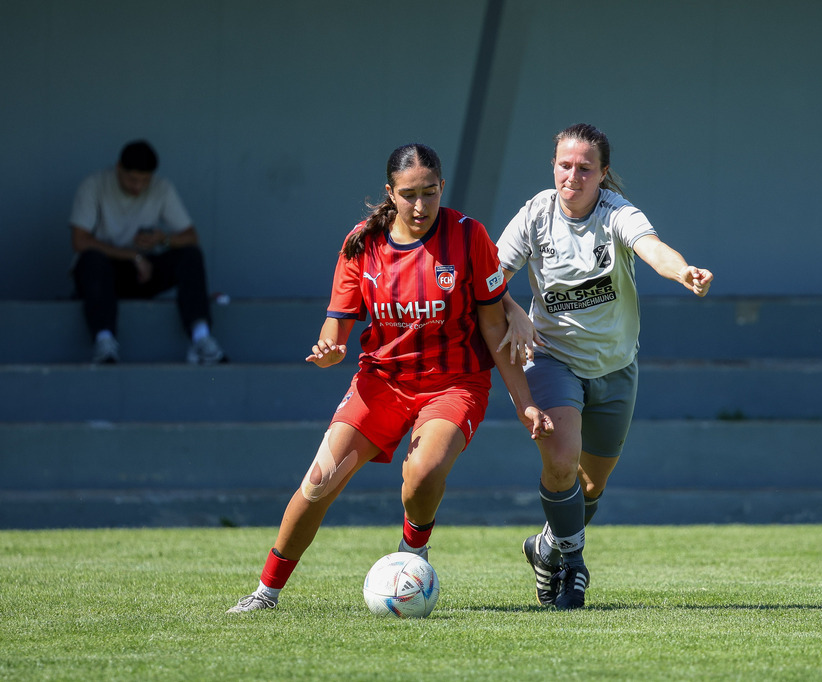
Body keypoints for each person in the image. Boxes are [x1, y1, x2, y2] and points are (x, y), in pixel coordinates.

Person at [227, 143, 554, 613]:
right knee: (318, 483)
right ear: (390, 193)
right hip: (381, 382)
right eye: (408, 195)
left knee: (423, 474)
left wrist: (524, 401)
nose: (420, 206)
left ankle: (413, 551)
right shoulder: (363, 242)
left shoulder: (468, 236)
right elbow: (336, 323)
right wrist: (329, 349)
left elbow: (493, 324)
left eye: (429, 192)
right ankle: (266, 592)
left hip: (454, 382)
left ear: (442, 187)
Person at [496, 123, 714, 610]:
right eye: (564, 165)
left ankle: (547, 547)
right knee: (560, 460)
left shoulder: (617, 213)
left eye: (584, 168)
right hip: (553, 359)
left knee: (590, 487)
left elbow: (651, 248)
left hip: (616, 368)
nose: (572, 176)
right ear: (553, 166)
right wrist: (513, 310)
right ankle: (573, 568)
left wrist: (683, 271)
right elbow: (490, 277)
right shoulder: (534, 215)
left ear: (603, 174)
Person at [69, 139, 225, 365]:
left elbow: (192, 236)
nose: (138, 187)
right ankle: (104, 342)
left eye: (145, 180)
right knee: (91, 260)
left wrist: (164, 239)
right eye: (132, 179)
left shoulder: (162, 188)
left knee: (190, 254)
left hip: (144, 274)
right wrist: (133, 256)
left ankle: (201, 338)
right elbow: (79, 241)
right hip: (102, 278)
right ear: (119, 168)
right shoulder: (93, 185)